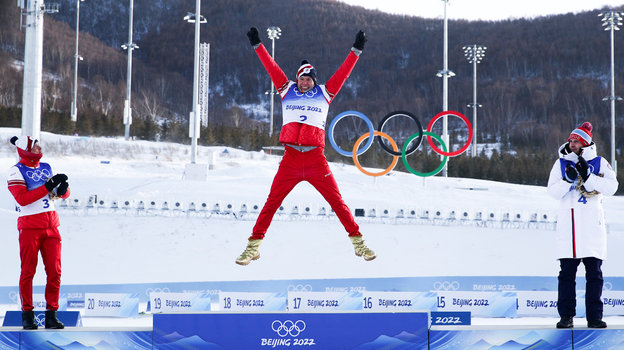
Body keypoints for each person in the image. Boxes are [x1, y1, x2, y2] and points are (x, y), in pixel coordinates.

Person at [235, 27, 375, 265]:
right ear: (297, 78)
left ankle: (359, 244)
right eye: (302, 78)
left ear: (314, 81)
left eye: (309, 79)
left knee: (337, 202)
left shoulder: (325, 93)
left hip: (315, 160)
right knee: (271, 202)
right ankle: (253, 247)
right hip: (290, 159)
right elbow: (271, 67)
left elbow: (343, 73)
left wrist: (356, 50)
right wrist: (257, 44)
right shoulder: (286, 89)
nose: (306, 82)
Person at [547, 122, 618, 329]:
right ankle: (566, 316)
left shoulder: (599, 163)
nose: (572, 143)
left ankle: (594, 317)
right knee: (566, 275)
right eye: (571, 140)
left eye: (576, 141)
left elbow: (612, 187)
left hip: (591, 230)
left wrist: (589, 177)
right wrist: (567, 180)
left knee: (594, 275)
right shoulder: (560, 164)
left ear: (585, 143)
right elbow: (552, 192)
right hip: (569, 230)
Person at [7, 136, 70, 330]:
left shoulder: (46, 167)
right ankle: (27, 315)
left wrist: (63, 191)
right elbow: (23, 199)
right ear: (26, 149)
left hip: (51, 225)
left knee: (55, 271)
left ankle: (51, 314)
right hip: (30, 227)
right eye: (35, 145)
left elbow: (54, 195)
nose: (39, 147)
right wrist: (47, 187)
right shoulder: (15, 171)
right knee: (28, 271)